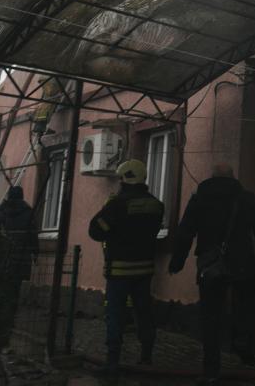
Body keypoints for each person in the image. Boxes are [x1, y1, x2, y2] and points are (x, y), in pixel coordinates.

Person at [169, 163, 255, 383]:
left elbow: (185, 231)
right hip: (242, 263)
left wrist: (177, 263)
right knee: (246, 307)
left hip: (211, 265)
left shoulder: (200, 198)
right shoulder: (246, 198)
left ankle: (211, 369)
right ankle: (245, 350)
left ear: (212, 177)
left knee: (210, 316)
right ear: (232, 177)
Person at [88, 159, 164, 376]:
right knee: (144, 313)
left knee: (115, 315)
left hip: (119, 271)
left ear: (125, 179)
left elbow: (95, 231)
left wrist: (110, 216)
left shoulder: (117, 205)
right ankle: (147, 357)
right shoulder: (156, 205)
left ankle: (112, 363)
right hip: (144, 270)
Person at [0, 186, 39, 282]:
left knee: (3, 282)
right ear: (22, 196)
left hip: (4, 252)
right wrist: (35, 251)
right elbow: (33, 234)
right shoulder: (28, 212)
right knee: (19, 283)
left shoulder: (1, 211)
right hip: (23, 253)